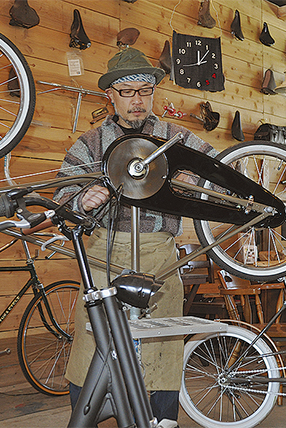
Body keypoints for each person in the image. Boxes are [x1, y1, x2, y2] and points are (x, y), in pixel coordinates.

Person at [53, 47, 217, 426]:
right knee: (93, 341)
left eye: (145, 91)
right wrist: (81, 200)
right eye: (127, 92)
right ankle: (86, 416)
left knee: (162, 345)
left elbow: (219, 171)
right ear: (110, 95)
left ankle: (163, 420)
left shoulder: (176, 138)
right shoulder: (91, 143)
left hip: (160, 256)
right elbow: (62, 197)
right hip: (103, 257)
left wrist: (192, 177)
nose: (137, 100)